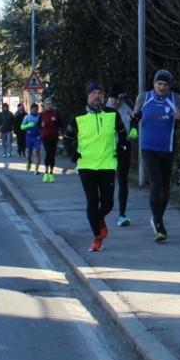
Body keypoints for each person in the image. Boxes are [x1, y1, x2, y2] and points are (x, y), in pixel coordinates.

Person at [130, 70, 180, 242]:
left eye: (165, 84)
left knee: (165, 186)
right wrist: (134, 127)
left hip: (167, 148)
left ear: (169, 86)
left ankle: (158, 217)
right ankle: (159, 224)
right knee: (156, 183)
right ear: (154, 84)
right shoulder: (144, 98)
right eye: (159, 84)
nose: (162, 87)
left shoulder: (176, 99)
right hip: (148, 147)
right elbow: (135, 116)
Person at [70, 80, 127, 253]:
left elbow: (122, 133)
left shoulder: (112, 115)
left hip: (107, 164)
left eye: (100, 93)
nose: (97, 96)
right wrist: (73, 153)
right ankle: (97, 238)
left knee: (108, 203)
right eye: (93, 93)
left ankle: (99, 218)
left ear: (103, 97)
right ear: (87, 96)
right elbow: (67, 138)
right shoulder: (78, 117)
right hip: (86, 166)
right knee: (92, 202)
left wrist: (122, 147)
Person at [107, 89, 134, 226]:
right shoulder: (103, 108)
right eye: (115, 99)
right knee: (107, 182)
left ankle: (122, 215)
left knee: (123, 181)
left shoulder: (127, 106)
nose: (118, 102)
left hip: (123, 147)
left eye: (120, 99)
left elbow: (136, 116)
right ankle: (102, 212)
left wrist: (134, 128)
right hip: (106, 150)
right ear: (109, 97)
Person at [38, 98, 61, 181]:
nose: (49, 105)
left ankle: (51, 173)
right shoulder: (42, 114)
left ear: (52, 105)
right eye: (47, 104)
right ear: (44, 105)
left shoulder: (56, 113)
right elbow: (38, 125)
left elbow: (60, 124)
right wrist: (41, 125)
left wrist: (55, 121)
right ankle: (46, 172)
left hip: (54, 137)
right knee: (48, 153)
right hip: (45, 137)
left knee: (52, 154)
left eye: (50, 103)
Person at [20, 103, 41, 171]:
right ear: (31, 109)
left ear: (37, 110)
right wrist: (28, 125)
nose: (35, 110)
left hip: (37, 137)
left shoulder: (40, 117)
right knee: (28, 152)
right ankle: (29, 161)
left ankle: (36, 169)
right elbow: (22, 127)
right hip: (29, 137)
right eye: (33, 109)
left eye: (36, 109)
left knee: (36, 152)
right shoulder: (27, 117)